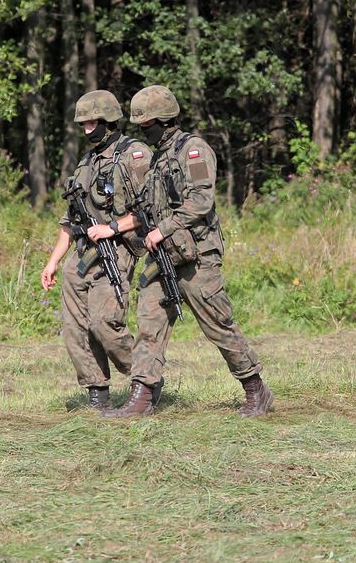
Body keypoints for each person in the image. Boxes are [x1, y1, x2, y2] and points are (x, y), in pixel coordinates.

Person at [94, 84, 272, 418]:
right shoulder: (159, 156)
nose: (144, 133)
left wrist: (165, 227)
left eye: (148, 126)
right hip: (164, 257)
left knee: (217, 324)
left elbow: (201, 200)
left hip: (198, 257)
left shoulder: (193, 150)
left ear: (165, 119)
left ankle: (255, 388)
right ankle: (142, 397)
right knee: (149, 322)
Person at [40, 90, 151, 411]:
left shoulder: (135, 154)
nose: (86, 127)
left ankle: (144, 379)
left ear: (108, 120)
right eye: (83, 122)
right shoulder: (86, 162)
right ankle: (96, 393)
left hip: (116, 250)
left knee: (105, 323)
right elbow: (68, 220)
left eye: (92, 121)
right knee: (75, 328)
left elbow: (151, 209)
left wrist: (112, 228)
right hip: (81, 253)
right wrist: (52, 263)